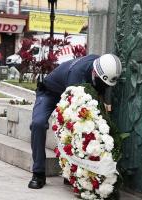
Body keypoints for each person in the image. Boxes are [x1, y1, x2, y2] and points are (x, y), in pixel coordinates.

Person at [28, 54, 122, 189]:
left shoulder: (103, 66)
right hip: (50, 93)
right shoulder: (76, 75)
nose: (103, 86)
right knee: (38, 124)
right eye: (102, 83)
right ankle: (38, 173)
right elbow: (71, 114)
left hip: (72, 93)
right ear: (95, 72)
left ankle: (71, 173)